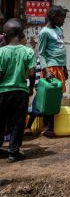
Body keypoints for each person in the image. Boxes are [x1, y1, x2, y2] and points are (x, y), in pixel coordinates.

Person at [0, 19, 35, 162]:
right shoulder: (28, 51)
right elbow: (32, 73)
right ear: (21, 34)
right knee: (18, 122)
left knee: (1, 120)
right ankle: (13, 151)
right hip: (21, 91)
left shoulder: (1, 52)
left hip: (2, 92)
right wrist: (31, 88)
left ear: (5, 34)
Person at [38, 5, 68, 138]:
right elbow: (41, 53)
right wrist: (46, 69)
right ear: (55, 17)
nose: (64, 21)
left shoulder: (59, 29)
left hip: (60, 67)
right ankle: (49, 127)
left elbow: (62, 49)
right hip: (51, 67)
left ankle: (51, 126)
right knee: (51, 97)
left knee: (57, 96)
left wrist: (65, 67)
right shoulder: (44, 32)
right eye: (63, 18)